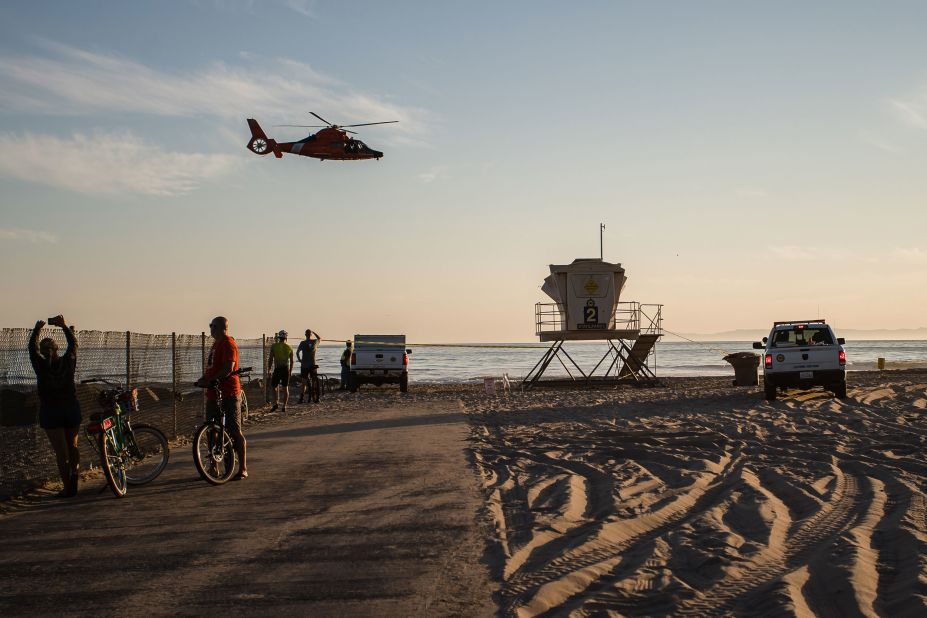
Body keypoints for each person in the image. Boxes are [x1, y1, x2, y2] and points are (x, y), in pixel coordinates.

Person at [29, 315, 81, 497]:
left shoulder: (40, 366)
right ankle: (75, 474)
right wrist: (64, 327)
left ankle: (67, 487)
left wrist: (36, 330)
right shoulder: (68, 362)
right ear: (57, 349)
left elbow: (31, 349)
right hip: (71, 407)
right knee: (73, 446)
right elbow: (74, 346)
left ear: (43, 352)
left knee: (61, 453)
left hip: (51, 411)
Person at [195, 316, 247, 479]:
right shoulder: (215, 345)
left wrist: (212, 380)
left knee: (234, 429)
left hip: (229, 393)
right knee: (212, 430)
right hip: (213, 394)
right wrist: (204, 380)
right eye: (210, 325)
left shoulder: (228, 343)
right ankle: (213, 468)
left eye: (213, 326)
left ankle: (243, 467)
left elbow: (228, 367)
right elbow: (212, 367)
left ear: (222, 328)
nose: (211, 328)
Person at [268, 330, 294, 412]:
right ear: (286, 338)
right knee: (285, 388)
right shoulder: (289, 347)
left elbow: (270, 359)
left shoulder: (274, 346)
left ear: (279, 337)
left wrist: (269, 369)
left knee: (273, 386)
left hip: (277, 369)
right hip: (285, 369)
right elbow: (292, 361)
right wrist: (290, 371)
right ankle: (284, 406)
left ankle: (275, 403)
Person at [297, 329, 321, 404]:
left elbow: (297, 352)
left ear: (305, 335)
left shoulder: (302, 343)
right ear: (310, 335)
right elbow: (319, 338)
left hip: (304, 365)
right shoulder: (315, 342)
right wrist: (314, 332)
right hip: (312, 364)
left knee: (304, 381)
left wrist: (299, 359)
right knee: (314, 379)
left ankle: (301, 398)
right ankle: (315, 395)